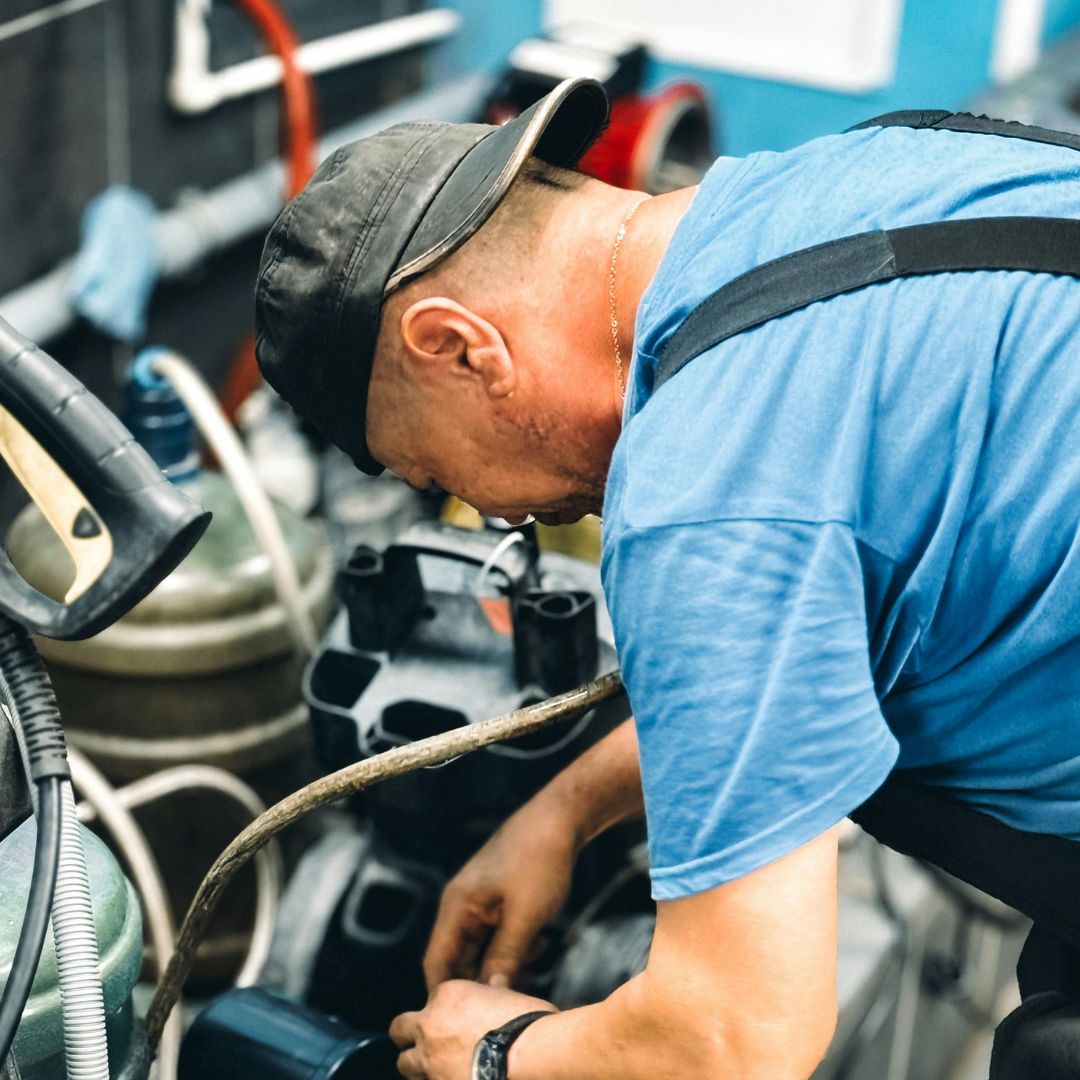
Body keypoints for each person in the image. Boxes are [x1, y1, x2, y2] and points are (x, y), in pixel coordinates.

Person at [254, 78, 1080, 1079]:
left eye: (438, 473)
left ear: (457, 346)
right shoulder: (859, 173)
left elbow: (737, 1037)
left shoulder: (700, 485)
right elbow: (800, 649)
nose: (497, 513)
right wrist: (562, 813)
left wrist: (498, 1051)